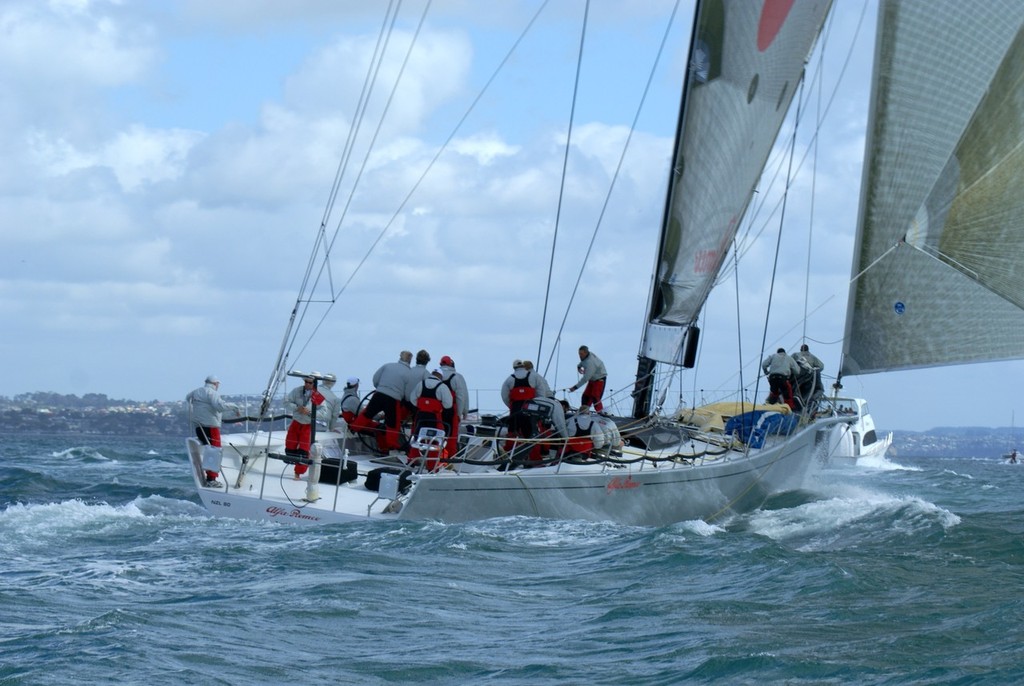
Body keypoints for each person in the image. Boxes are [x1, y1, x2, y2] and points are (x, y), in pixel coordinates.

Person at [351, 351, 413, 453]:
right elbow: (408, 393)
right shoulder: (409, 373)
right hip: (393, 399)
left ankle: (354, 428)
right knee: (393, 423)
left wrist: (380, 387)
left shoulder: (387, 366)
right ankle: (392, 444)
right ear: (410, 360)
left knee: (368, 413)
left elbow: (375, 379)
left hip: (379, 394)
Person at [185, 375, 240, 487]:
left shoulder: (196, 392)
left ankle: (209, 476)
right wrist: (235, 407)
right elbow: (219, 406)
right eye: (218, 384)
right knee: (215, 451)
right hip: (211, 426)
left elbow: (188, 398)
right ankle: (211, 479)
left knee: (209, 450)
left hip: (198, 426)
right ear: (215, 384)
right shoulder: (212, 393)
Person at [285, 374, 324, 477]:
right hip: (296, 422)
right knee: (290, 444)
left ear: (314, 383)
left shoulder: (318, 395)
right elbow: (286, 402)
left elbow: (324, 412)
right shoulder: (296, 391)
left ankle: (298, 472)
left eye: (309, 382)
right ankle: (291, 462)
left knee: (304, 449)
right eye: (305, 382)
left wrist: (309, 412)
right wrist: (297, 407)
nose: (307, 384)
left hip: (307, 425)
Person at [439, 355, 469, 457]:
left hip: (437, 410)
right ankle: (450, 456)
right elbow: (462, 396)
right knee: (451, 435)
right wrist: (462, 412)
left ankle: (436, 454)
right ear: (451, 364)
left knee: (439, 432)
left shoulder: (435, 375)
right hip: (452, 410)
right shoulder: (457, 377)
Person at [569, 345, 607, 413]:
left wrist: (575, 387)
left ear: (586, 353)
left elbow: (585, 378)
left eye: (581, 354)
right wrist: (579, 366)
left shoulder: (591, 363)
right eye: (579, 354)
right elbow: (583, 362)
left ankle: (600, 412)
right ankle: (584, 412)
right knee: (585, 397)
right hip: (592, 379)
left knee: (595, 397)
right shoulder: (586, 357)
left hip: (599, 379)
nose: (580, 356)